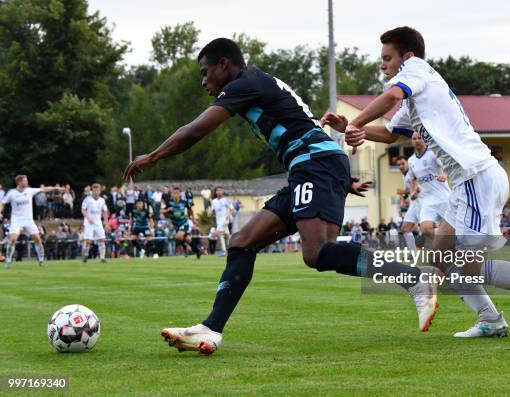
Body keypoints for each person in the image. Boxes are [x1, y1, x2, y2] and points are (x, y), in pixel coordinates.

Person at [123, 37, 435, 355]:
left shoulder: (245, 82)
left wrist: (153, 156)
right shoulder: (255, 82)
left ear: (224, 65)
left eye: (205, 73)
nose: (204, 82)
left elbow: (196, 130)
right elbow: (301, 121)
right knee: (243, 241)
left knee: (317, 253)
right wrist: (336, 177)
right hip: (313, 166)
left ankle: (413, 279)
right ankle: (211, 328)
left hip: (314, 164)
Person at [321, 26, 510, 337]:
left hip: (476, 178)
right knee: (438, 260)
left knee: (465, 273)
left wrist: (356, 122)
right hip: (465, 184)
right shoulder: (414, 97)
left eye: (386, 58)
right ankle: (491, 321)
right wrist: (350, 126)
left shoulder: (415, 69)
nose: (382, 64)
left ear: (407, 57)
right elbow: (390, 134)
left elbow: (391, 95)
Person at [399, 133, 451, 251]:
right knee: (425, 229)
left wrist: (445, 174)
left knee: (452, 228)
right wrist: (413, 192)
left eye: (419, 138)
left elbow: (448, 165)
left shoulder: (433, 154)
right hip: (427, 200)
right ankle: (448, 242)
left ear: (425, 140)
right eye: (414, 138)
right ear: (411, 141)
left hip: (443, 198)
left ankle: (455, 242)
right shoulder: (411, 160)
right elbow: (412, 178)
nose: (417, 140)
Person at [0, 175, 62, 268]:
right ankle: (8, 262)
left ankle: (41, 261)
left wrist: (55, 188)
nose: (27, 182)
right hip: (16, 219)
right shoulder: (11, 193)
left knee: (37, 239)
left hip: (28, 219)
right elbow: (2, 202)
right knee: (12, 239)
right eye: (25, 181)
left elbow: (43, 189)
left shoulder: (29, 190)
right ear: (19, 182)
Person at [163, 187, 199, 259]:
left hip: (183, 223)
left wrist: (193, 219)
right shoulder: (169, 203)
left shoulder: (184, 202)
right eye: (174, 193)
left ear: (180, 194)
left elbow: (190, 210)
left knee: (177, 237)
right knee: (188, 239)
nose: (175, 195)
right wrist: (167, 210)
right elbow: (162, 211)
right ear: (172, 194)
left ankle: (186, 248)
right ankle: (197, 251)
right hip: (176, 225)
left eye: (177, 193)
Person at [81, 183, 109, 263]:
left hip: (98, 222)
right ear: (92, 191)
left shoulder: (102, 200)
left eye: (97, 190)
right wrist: (88, 217)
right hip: (89, 223)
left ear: (100, 191)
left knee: (101, 239)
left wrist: (106, 223)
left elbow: (105, 212)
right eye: (94, 190)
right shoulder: (87, 199)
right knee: (88, 241)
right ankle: (85, 255)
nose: (96, 192)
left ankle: (102, 258)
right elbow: (83, 210)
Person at [211, 186, 234, 257]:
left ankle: (224, 251)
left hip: (224, 220)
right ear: (215, 192)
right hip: (218, 221)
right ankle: (232, 249)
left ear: (223, 192)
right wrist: (210, 212)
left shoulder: (225, 200)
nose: (219, 192)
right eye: (218, 190)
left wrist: (229, 214)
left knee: (219, 234)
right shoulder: (213, 201)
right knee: (227, 235)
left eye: (221, 190)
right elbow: (213, 212)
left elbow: (231, 208)